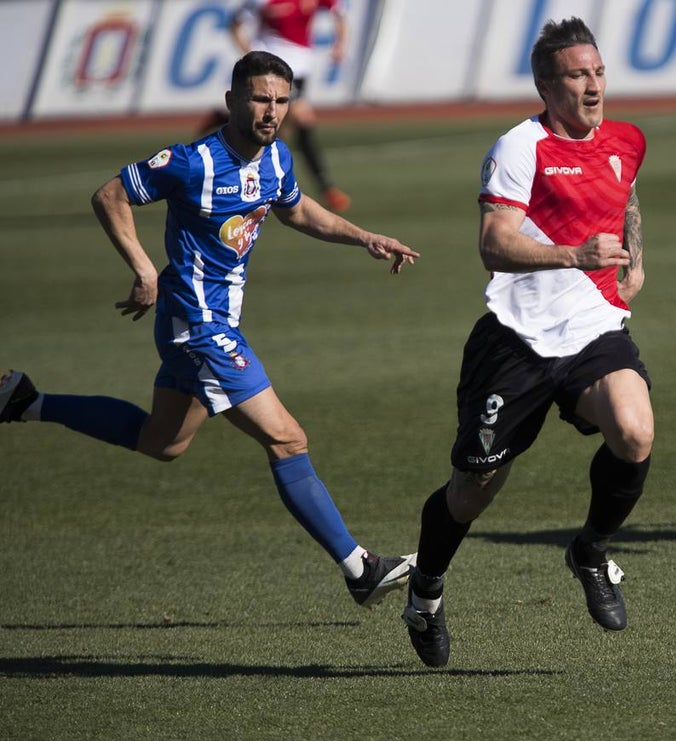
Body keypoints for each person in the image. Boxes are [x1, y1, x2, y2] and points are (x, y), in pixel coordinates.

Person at [0, 51, 420, 608]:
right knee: (288, 439)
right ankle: (359, 569)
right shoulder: (193, 160)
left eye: (281, 100)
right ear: (231, 101)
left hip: (206, 324)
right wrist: (144, 268)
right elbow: (110, 195)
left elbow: (295, 211)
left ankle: (26, 400)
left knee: (163, 441)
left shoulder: (276, 158)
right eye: (260, 98)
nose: (271, 111)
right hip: (197, 326)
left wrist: (364, 236)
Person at [399, 17, 652, 668]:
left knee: (635, 430)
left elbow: (626, 197)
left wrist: (636, 261)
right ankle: (426, 590)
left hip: (595, 327)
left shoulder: (627, 139)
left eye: (598, 71)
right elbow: (493, 242)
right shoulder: (521, 146)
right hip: (515, 341)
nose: (593, 85)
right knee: (472, 490)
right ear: (546, 85)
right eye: (577, 75)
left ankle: (590, 550)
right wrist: (574, 254)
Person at [201, 0, 353, 212]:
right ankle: (326, 188)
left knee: (280, 127)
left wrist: (340, 45)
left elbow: (339, 13)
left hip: (299, 70)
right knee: (301, 119)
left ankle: (224, 120)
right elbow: (235, 23)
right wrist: (249, 55)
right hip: (270, 71)